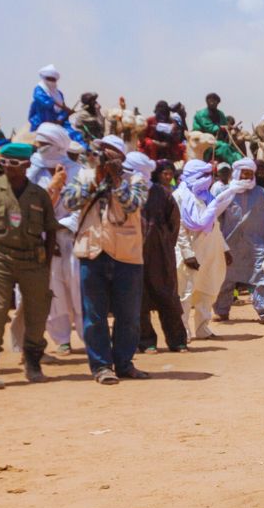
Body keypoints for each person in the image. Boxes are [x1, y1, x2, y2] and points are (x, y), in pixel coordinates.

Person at [0, 141, 58, 389]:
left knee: (37, 313)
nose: (9, 168)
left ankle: (32, 362)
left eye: (15, 164)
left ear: (27, 165)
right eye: (5, 163)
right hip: (0, 258)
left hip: (33, 260)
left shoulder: (39, 195)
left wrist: (46, 264)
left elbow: (51, 231)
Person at [67, 135, 150, 384]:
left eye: (109, 154)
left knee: (129, 316)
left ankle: (124, 363)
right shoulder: (85, 176)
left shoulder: (135, 180)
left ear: (121, 159)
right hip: (92, 253)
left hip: (127, 255)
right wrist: (94, 180)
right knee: (94, 315)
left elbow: (133, 204)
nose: (103, 158)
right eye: (101, 153)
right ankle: (102, 366)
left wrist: (116, 180)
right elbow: (69, 202)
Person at [31, 122, 85, 354]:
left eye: (44, 144)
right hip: (45, 240)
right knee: (54, 291)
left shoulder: (78, 172)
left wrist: (61, 226)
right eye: (38, 144)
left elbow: (81, 207)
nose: (40, 148)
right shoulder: (32, 171)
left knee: (79, 288)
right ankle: (61, 338)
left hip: (73, 237)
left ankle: (89, 337)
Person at [174, 160, 235, 340]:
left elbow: (213, 225)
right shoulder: (179, 196)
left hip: (211, 251)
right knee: (185, 292)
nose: (208, 179)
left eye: (209, 176)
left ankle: (202, 328)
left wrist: (224, 248)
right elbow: (178, 228)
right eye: (203, 176)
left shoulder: (206, 196)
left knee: (207, 290)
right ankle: (182, 332)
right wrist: (187, 254)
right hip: (190, 253)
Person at [215, 158, 264, 322]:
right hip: (230, 245)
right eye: (244, 173)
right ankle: (222, 310)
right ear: (237, 173)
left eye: (250, 174)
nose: (247, 177)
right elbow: (214, 218)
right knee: (225, 279)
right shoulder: (225, 193)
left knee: (263, 277)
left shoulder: (260, 193)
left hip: (257, 244)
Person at [139, 159, 187, 353]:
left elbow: (174, 222)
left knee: (168, 297)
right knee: (139, 299)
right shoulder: (125, 193)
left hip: (161, 255)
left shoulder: (163, 194)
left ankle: (177, 341)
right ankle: (146, 341)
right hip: (134, 255)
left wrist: (164, 244)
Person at [28, 65, 73, 133]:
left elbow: (62, 110)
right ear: (44, 78)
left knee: (73, 134)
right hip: (41, 122)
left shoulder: (59, 94)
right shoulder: (39, 90)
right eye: (49, 79)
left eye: (53, 79)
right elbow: (46, 103)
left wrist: (61, 118)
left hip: (59, 122)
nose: (52, 81)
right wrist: (63, 107)